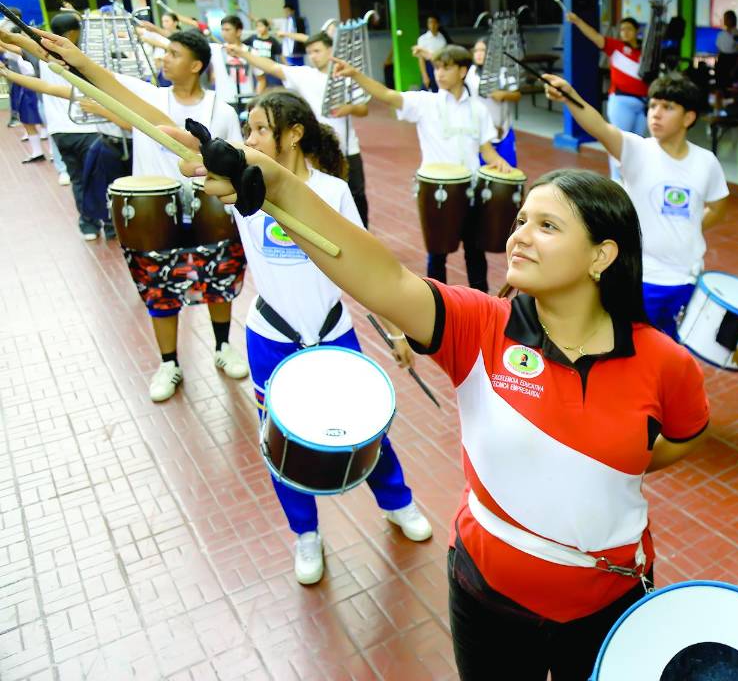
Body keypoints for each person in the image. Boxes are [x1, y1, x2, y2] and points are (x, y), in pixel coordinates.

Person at [177, 128, 711, 678]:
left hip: (609, 607)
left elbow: (684, 435)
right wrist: (277, 187)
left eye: (547, 226)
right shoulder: (479, 326)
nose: (521, 236)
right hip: (486, 598)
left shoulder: (665, 362)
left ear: (603, 254)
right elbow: (379, 275)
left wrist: (614, 462)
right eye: (521, 221)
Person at [232, 88, 432, 583]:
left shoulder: (334, 192)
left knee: (367, 428)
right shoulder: (239, 187)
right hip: (271, 338)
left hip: (334, 333)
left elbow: (364, 268)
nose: (250, 138)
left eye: (260, 129)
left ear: (294, 134)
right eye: (248, 129)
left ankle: (398, 503)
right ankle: (306, 534)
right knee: (281, 441)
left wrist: (395, 330)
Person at [38, 27, 251, 404]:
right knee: (160, 290)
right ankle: (169, 363)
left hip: (211, 213)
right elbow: (101, 78)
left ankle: (222, 346)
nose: (164, 58)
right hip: (156, 215)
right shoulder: (149, 96)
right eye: (165, 51)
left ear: (196, 64)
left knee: (219, 281)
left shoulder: (222, 110)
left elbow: (238, 158)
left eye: (173, 53)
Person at [544, 72, 728, 340]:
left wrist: (688, 228)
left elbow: (718, 207)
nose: (656, 113)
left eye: (667, 107)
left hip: (687, 279)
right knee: (633, 351)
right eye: (653, 105)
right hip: (641, 278)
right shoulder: (637, 150)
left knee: (673, 353)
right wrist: (570, 96)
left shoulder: (706, 162)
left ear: (689, 117)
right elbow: (599, 126)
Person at [332, 44, 511, 291]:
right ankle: (438, 302)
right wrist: (355, 75)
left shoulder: (478, 110)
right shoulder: (425, 103)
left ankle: (482, 300)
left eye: (446, 68)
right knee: (437, 255)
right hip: (436, 191)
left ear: (462, 71)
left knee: (475, 251)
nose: (439, 73)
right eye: (437, 67)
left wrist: (500, 163)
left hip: (471, 190)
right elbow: (386, 95)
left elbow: (486, 149)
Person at [227, 33, 372, 227]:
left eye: (317, 51)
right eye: (310, 52)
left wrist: (349, 108)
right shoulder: (304, 75)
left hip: (348, 147)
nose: (313, 56)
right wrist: (243, 53)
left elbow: (364, 108)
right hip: (314, 145)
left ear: (331, 51)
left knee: (354, 195)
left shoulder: (347, 78)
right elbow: (271, 67)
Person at [0, 12, 109, 239]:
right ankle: (109, 225)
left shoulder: (41, 55)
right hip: (90, 129)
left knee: (77, 179)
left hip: (60, 131)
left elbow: (12, 41)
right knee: (100, 179)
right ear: (71, 33)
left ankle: (88, 226)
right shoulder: (82, 55)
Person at [565, 11, 648, 180]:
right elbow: (595, 36)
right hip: (621, 102)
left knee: (638, 146)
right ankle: (617, 182)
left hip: (643, 103)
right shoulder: (615, 47)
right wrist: (578, 21)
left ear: (636, 31)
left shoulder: (645, 51)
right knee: (618, 143)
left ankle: (634, 181)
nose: (624, 32)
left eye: (629, 29)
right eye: (622, 29)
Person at [465, 38, 521, 167]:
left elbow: (517, 95)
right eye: (476, 50)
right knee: (482, 170)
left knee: (508, 168)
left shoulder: (503, 71)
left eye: (483, 50)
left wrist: (503, 94)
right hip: (480, 129)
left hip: (503, 129)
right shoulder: (471, 72)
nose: (478, 54)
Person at [2, 42, 48, 163]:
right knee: (27, 120)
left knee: (44, 120)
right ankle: (37, 152)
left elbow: (11, 47)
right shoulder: (19, 52)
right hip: (27, 86)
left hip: (35, 86)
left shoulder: (32, 52)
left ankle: (52, 152)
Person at [210, 15, 255, 113]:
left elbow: (261, 79)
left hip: (247, 100)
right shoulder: (216, 50)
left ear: (238, 31)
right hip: (224, 101)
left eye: (227, 30)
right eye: (222, 30)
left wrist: (256, 100)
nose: (224, 33)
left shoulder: (251, 52)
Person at [246, 19, 283, 93]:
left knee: (272, 90)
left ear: (267, 27)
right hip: (257, 69)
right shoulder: (253, 38)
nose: (259, 28)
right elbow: (242, 46)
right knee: (259, 91)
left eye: (261, 26)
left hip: (270, 69)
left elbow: (280, 55)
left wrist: (285, 66)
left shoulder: (273, 40)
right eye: (257, 26)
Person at [415, 14, 449, 92]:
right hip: (428, 66)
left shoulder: (442, 38)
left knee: (440, 90)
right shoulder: (423, 39)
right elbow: (421, 59)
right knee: (426, 91)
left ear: (438, 24)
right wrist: (424, 75)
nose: (432, 25)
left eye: (434, 23)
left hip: (440, 65)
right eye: (430, 23)